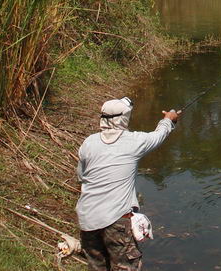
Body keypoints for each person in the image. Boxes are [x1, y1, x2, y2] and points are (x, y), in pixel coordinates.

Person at [76, 96, 182, 271]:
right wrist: (169, 120)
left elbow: (80, 177)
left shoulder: (88, 143)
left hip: (87, 220)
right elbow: (159, 135)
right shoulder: (134, 142)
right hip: (116, 221)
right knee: (127, 267)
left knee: (96, 267)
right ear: (124, 118)